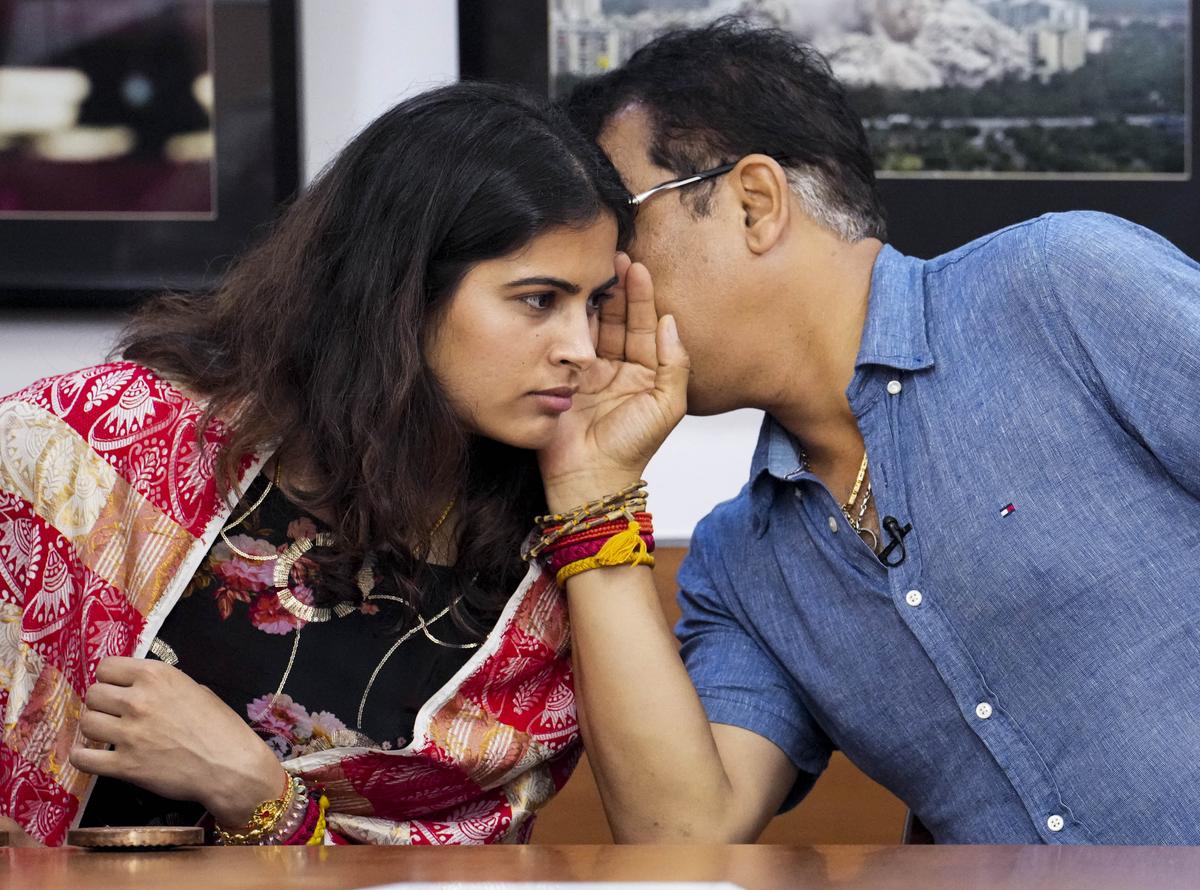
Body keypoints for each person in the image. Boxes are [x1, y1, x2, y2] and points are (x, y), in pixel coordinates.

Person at [561, 19, 1200, 845]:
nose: (595, 295)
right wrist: (593, 493)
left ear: (753, 202)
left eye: (619, 235)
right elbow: (681, 835)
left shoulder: (1062, 289)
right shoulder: (744, 563)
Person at [0, 81, 688, 846]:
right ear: (403, 290)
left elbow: (679, 844)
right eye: (538, 300)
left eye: (593, 304)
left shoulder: (540, 546)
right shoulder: (104, 446)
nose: (580, 348)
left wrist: (260, 796)